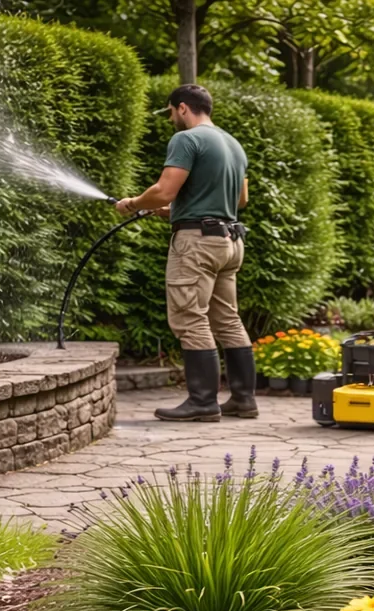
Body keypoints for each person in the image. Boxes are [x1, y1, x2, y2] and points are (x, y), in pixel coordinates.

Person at [116, 83, 255, 422]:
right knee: (227, 319)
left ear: (182, 108)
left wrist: (133, 203)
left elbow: (164, 191)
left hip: (197, 244)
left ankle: (203, 402)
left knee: (189, 317)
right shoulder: (232, 143)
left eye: (170, 112)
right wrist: (177, 210)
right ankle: (243, 400)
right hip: (230, 241)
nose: (170, 120)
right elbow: (240, 201)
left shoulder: (186, 139)